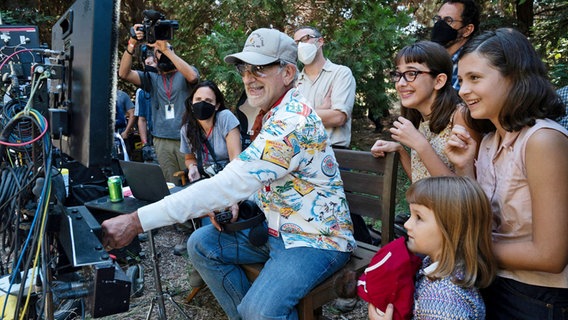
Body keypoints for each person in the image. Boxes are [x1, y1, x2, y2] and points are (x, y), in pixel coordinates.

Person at [102, 28, 356, 319]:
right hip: (275, 227)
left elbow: (228, 183)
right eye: (244, 68)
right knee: (201, 244)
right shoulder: (271, 112)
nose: (248, 77)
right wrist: (236, 201)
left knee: (259, 311)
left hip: (314, 239)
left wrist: (137, 221)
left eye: (259, 68)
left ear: (287, 73)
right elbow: (257, 179)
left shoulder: (292, 123)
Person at [445, 28, 568, 319]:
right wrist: (464, 167)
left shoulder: (542, 141)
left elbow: (550, 255)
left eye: (475, 78)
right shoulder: (489, 141)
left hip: (537, 296)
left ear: (514, 77)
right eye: (461, 80)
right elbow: (481, 217)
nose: (462, 90)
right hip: (494, 281)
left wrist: (467, 247)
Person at [367, 176, 496, 319]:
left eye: (419, 217)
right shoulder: (435, 264)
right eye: (411, 215)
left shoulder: (445, 303)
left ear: (452, 229)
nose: (406, 225)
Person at [370, 41, 481, 183]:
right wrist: (400, 151)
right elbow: (422, 184)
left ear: (439, 81)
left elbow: (468, 190)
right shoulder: (421, 119)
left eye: (411, 73)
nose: (400, 83)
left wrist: (420, 144)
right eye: (398, 74)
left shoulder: (460, 116)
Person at [119, 24, 199, 184]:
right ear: (154, 58)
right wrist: (132, 43)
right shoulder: (151, 78)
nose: (163, 54)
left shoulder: (185, 73)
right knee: (171, 185)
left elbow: (193, 77)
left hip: (186, 138)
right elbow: (123, 73)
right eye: (159, 52)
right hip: (161, 140)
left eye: (167, 50)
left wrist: (166, 49)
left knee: (194, 184)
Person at [293, 26, 356, 148]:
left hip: (334, 153)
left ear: (320, 41)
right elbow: (286, 121)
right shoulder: (294, 82)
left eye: (306, 39)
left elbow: (338, 117)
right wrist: (322, 109)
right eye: (297, 43)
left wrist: (299, 116)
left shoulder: (340, 73)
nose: (301, 45)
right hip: (300, 153)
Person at [181, 80, 241, 182]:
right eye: (198, 99)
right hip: (205, 180)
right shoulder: (187, 129)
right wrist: (192, 167)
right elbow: (189, 158)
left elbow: (236, 160)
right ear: (191, 103)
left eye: (208, 100)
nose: (202, 104)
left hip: (229, 178)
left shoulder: (225, 118)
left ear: (217, 105)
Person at [431, 0, 480, 91]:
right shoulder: (432, 61)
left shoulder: (475, 64)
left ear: (467, 30)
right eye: (438, 19)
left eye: (448, 20)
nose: (439, 25)